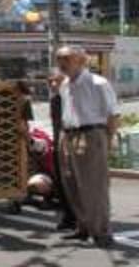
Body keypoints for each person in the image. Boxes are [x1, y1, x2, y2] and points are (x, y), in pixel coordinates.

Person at [55, 46, 119, 248]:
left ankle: (101, 232)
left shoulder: (98, 83)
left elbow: (113, 114)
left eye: (67, 59)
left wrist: (108, 141)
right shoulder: (64, 84)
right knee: (71, 183)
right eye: (59, 59)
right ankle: (83, 226)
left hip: (91, 134)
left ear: (82, 61)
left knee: (94, 187)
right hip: (68, 134)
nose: (62, 63)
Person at [48, 73, 77, 231]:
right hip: (58, 145)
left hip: (72, 145)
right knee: (61, 183)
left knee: (74, 183)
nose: (53, 84)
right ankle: (68, 217)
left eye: (56, 81)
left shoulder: (71, 99)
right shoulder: (54, 100)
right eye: (50, 81)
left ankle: (79, 218)